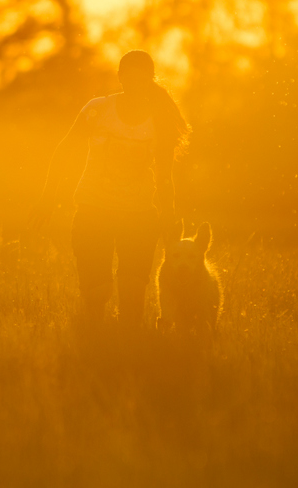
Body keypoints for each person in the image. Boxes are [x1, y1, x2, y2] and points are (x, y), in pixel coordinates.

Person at [28, 50, 190, 329]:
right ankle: (94, 345)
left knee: (132, 303)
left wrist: (169, 218)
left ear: (150, 78)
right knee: (97, 293)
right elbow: (64, 151)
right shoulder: (98, 109)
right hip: (94, 211)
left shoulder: (160, 120)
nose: (135, 82)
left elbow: (165, 177)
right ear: (120, 77)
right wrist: (47, 199)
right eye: (129, 75)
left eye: (142, 76)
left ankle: (127, 351)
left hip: (138, 216)